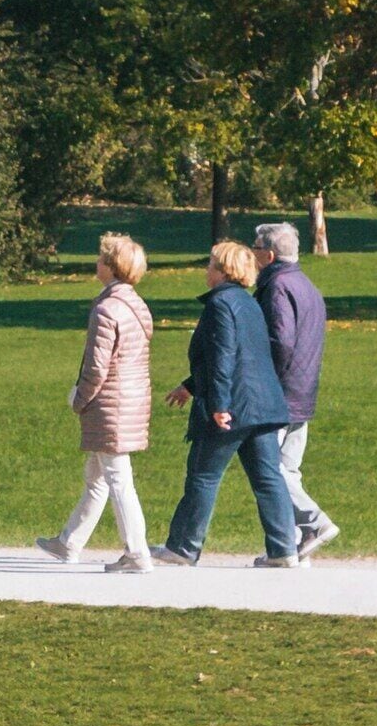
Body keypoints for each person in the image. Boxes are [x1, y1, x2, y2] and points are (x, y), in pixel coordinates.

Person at [160, 240, 298, 566]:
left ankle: (183, 547)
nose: (206, 270)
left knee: (203, 476)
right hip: (264, 406)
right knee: (268, 478)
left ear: (223, 271)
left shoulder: (219, 305)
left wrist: (219, 405)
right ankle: (284, 550)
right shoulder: (250, 304)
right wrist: (190, 386)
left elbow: (223, 358)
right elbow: (242, 358)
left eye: (210, 265)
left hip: (234, 407)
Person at [37, 232, 155, 571]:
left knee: (117, 478)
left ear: (110, 266)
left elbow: (97, 367)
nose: (96, 263)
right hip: (130, 400)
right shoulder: (137, 306)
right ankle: (69, 542)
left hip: (111, 403)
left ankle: (137, 553)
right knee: (97, 475)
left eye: (101, 258)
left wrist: (79, 398)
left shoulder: (107, 308)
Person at [255, 221, 339, 556]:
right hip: (304, 388)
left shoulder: (276, 287)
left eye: (256, 248)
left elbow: (281, 341)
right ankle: (288, 546)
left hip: (280, 390)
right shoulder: (307, 286)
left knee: (270, 470)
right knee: (287, 469)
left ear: (270, 254)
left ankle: (315, 521)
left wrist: (260, 378)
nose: (252, 253)